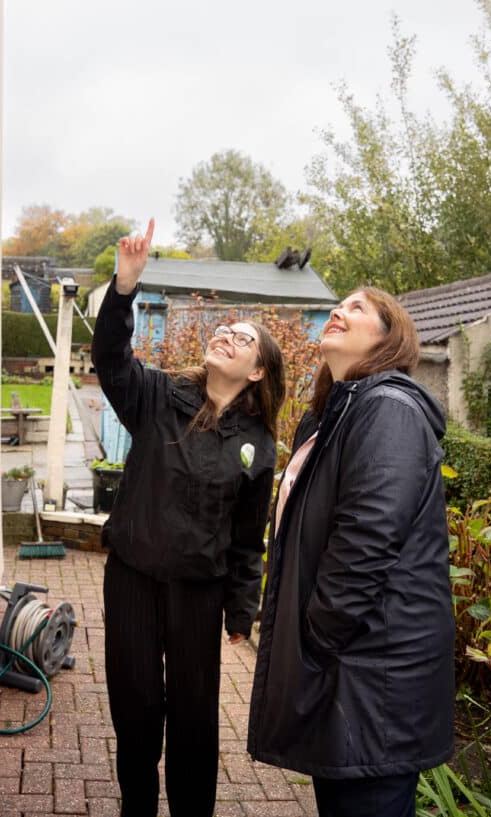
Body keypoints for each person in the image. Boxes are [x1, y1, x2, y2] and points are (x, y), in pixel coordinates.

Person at [92, 218, 286, 817]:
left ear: (258, 371)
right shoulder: (158, 395)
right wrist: (124, 287)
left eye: (243, 339)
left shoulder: (256, 441)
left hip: (199, 596)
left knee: (197, 721)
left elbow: (248, 539)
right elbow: (110, 358)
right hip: (133, 580)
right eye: (225, 328)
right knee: (137, 707)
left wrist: (240, 612)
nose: (228, 335)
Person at [247, 287, 455, 817]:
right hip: (346, 676)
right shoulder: (329, 417)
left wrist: (316, 638)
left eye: (358, 307)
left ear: (391, 338)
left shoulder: (388, 408)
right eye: (339, 304)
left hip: (372, 681)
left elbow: (367, 538)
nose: (339, 310)